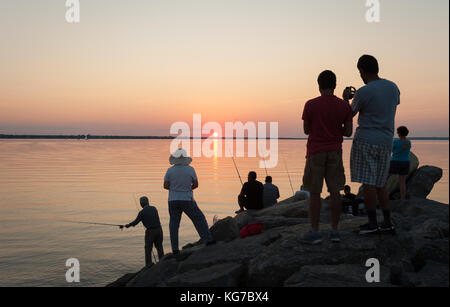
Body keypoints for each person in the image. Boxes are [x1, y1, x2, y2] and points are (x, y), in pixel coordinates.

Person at [344, 55, 400, 234]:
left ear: (361, 71)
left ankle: (372, 223)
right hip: (386, 141)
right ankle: (388, 222)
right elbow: (391, 104)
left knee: (368, 183)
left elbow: (348, 115)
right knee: (381, 183)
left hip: (366, 140)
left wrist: (346, 99)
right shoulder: (393, 87)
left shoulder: (363, 91)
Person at [299, 70, 353, 244]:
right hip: (335, 152)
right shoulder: (344, 106)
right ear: (335, 85)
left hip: (315, 153)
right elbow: (348, 132)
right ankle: (335, 231)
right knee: (335, 191)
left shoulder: (310, 104)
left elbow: (306, 130)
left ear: (318, 84)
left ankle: (315, 232)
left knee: (314, 193)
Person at [163, 148, 215, 254]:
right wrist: (187, 189)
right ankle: (207, 240)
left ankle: (175, 249)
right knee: (199, 219)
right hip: (187, 199)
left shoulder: (170, 170)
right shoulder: (190, 169)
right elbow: (196, 184)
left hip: (173, 200)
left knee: (174, 224)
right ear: (185, 158)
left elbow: (165, 185)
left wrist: (175, 190)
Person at [121, 196, 164, 268]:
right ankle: (162, 261)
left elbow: (135, 222)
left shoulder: (142, 212)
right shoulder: (154, 208)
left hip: (150, 231)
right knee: (159, 246)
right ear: (148, 202)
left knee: (148, 248)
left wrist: (127, 225)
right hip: (159, 230)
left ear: (141, 204)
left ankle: (148, 264)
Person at [388, 126, 412, 200]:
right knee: (402, 182)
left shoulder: (395, 141)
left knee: (386, 177)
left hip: (395, 161)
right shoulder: (408, 142)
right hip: (405, 162)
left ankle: (379, 193)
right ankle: (402, 198)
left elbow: (390, 150)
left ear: (399, 133)